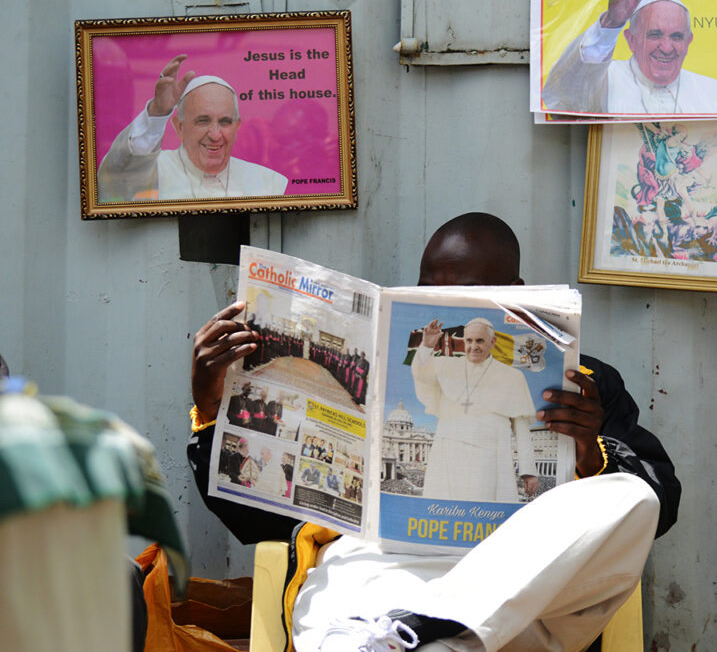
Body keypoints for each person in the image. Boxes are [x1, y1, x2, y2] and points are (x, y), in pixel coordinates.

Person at [186, 212, 680, 651]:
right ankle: (429, 635)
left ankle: (428, 631)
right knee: (350, 617)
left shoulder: (578, 381)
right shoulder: (395, 369)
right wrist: (210, 406)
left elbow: (660, 508)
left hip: (517, 573)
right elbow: (255, 522)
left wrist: (589, 453)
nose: (468, 331)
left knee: (631, 499)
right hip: (383, 571)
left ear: (515, 292)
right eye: (430, 291)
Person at [97, 54, 287, 202]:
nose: (215, 135)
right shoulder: (154, 170)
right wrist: (158, 112)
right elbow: (115, 179)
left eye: (225, 122)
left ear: (237, 126)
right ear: (179, 127)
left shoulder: (268, 182)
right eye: (203, 121)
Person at [542, 0, 717, 115]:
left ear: (688, 43)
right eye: (654, 34)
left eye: (677, 37)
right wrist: (611, 25)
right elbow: (565, 98)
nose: (667, 48)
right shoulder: (604, 80)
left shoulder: (716, 94)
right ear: (631, 40)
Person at [413, 317, 539, 502]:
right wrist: (426, 346)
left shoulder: (512, 377)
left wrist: (528, 471)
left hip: (488, 458)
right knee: (443, 508)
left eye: (479, 340)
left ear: (492, 342)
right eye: (469, 341)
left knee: (482, 509)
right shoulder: (447, 366)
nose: (473, 346)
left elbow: (521, 427)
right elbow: (421, 375)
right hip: (448, 452)